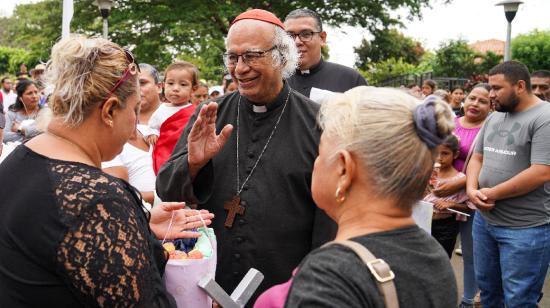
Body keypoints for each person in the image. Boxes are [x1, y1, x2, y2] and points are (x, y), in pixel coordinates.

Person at [0, 35, 214, 307]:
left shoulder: (18, 158)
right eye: (135, 109)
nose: (136, 122)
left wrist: (139, 226)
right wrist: (119, 218)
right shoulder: (99, 200)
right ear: (110, 110)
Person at [156, 9, 336, 301]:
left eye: (251, 56)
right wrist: (193, 163)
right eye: (232, 57)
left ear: (281, 56)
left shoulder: (320, 124)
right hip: (207, 285)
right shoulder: (209, 114)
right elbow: (167, 190)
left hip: (283, 290)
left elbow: (330, 223)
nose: (239, 68)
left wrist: (311, 291)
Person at [279, 87, 457, 307]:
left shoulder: (331, 278)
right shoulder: (434, 256)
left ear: (344, 169)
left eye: (321, 153)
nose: (315, 163)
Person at [467, 61, 550, 307]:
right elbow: (477, 158)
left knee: (519, 300)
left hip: (525, 229)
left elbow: (541, 172)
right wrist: (472, 190)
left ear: (520, 86)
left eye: (496, 88)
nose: (490, 94)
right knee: (489, 293)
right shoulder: (495, 116)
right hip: (485, 223)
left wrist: (492, 193)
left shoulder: (545, 117)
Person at [433, 83, 491, 308]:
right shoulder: (450, 124)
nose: (475, 104)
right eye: (472, 98)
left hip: (469, 199)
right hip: (439, 200)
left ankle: (468, 300)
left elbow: (486, 165)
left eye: (482, 101)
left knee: (470, 253)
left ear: (491, 105)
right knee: (437, 249)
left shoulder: (490, 128)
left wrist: (458, 183)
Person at [284, 9, 367, 99]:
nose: (297, 42)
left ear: (322, 38)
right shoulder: (275, 82)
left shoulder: (351, 79)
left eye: (306, 34)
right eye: (290, 36)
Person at [423, 134, 472, 258]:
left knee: (441, 259)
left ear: (455, 154)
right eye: (436, 153)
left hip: (446, 227)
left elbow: (469, 207)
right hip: (423, 223)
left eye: (445, 153)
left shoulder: (459, 180)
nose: (439, 158)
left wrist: (451, 204)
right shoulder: (424, 173)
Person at [145, 61, 198, 146]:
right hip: (163, 150)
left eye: (183, 84)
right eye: (170, 83)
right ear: (163, 85)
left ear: (193, 89)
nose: (175, 88)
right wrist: (153, 134)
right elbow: (153, 127)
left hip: (185, 152)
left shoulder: (195, 112)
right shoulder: (161, 109)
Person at [3, 79, 43, 143]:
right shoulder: (11, 114)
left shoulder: (45, 112)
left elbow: (44, 131)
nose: (34, 96)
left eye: (36, 92)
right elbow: (4, 136)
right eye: (29, 93)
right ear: (20, 98)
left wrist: (20, 129)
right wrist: (31, 136)